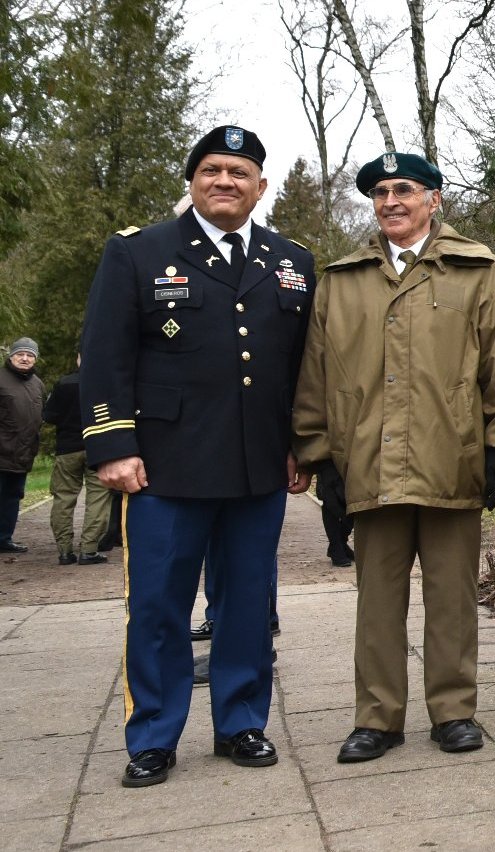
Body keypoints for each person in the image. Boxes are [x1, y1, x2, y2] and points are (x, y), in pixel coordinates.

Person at [80, 125, 315, 787]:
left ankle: (241, 723)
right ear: (192, 180)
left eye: (239, 173)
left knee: (245, 604)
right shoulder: (139, 252)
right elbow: (104, 354)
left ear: (259, 188)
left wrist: (302, 444)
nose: (224, 182)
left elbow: (302, 369)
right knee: (158, 605)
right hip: (163, 467)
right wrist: (112, 445)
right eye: (211, 170)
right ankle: (153, 735)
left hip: (257, 465)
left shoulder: (291, 258)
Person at [291, 151, 495, 764]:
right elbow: (316, 375)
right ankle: (377, 718)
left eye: (405, 189)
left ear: (434, 198)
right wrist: (323, 457)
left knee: (453, 596)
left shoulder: (478, 271)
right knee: (376, 598)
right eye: (379, 192)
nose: (391, 201)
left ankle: (454, 711)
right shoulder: (342, 280)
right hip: (368, 463)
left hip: (453, 459)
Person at [41, 353, 114, 564]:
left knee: (63, 498)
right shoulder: (104, 385)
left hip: (67, 448)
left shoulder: (64, 384)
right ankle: (89, 549)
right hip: (97, 447)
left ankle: (64, 550)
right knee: (98, 498)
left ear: (78, 359)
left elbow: (49, 416)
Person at [0, 338, 45, 554]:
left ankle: (4, 539)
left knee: (12, 498)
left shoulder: (37, 384)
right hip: (1, 452)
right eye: (20, 354)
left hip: (22, 455)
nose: (25, 358)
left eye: (30, 355)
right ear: (11, 356)